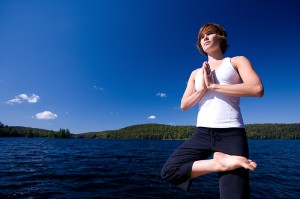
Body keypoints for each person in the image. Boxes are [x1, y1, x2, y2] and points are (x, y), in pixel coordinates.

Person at [161, 23, 264, 199]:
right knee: (170, 171)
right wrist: (202, 90)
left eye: (209, 34)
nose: (205, 38)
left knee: (234, 196)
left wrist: (214, 86)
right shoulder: (195, 73)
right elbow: (184, 105)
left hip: (231, 133)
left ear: (221, 37)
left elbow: (256, 89)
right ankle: (218, 164)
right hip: (202, 133)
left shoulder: (236, 61)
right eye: (202, 37)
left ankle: (224, 163)